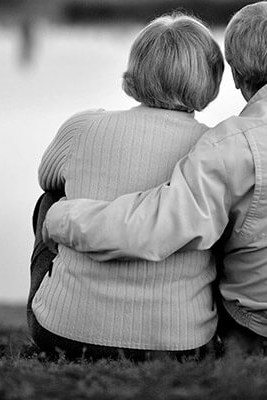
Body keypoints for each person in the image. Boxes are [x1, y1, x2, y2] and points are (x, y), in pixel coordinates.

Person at [43, 1, 267, 356]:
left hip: (266, 331)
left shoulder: (233, 142)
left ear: (235, 75)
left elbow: (159, 226)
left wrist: (61, 216)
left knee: (221, 214)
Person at [28, 13, 225, 360]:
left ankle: (69, 300)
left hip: (64, 334)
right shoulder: (216, 148)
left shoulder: (83, 127)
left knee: (52, 198)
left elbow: (47, 177)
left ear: (136, 69)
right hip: (181, 343)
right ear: (210, 78)